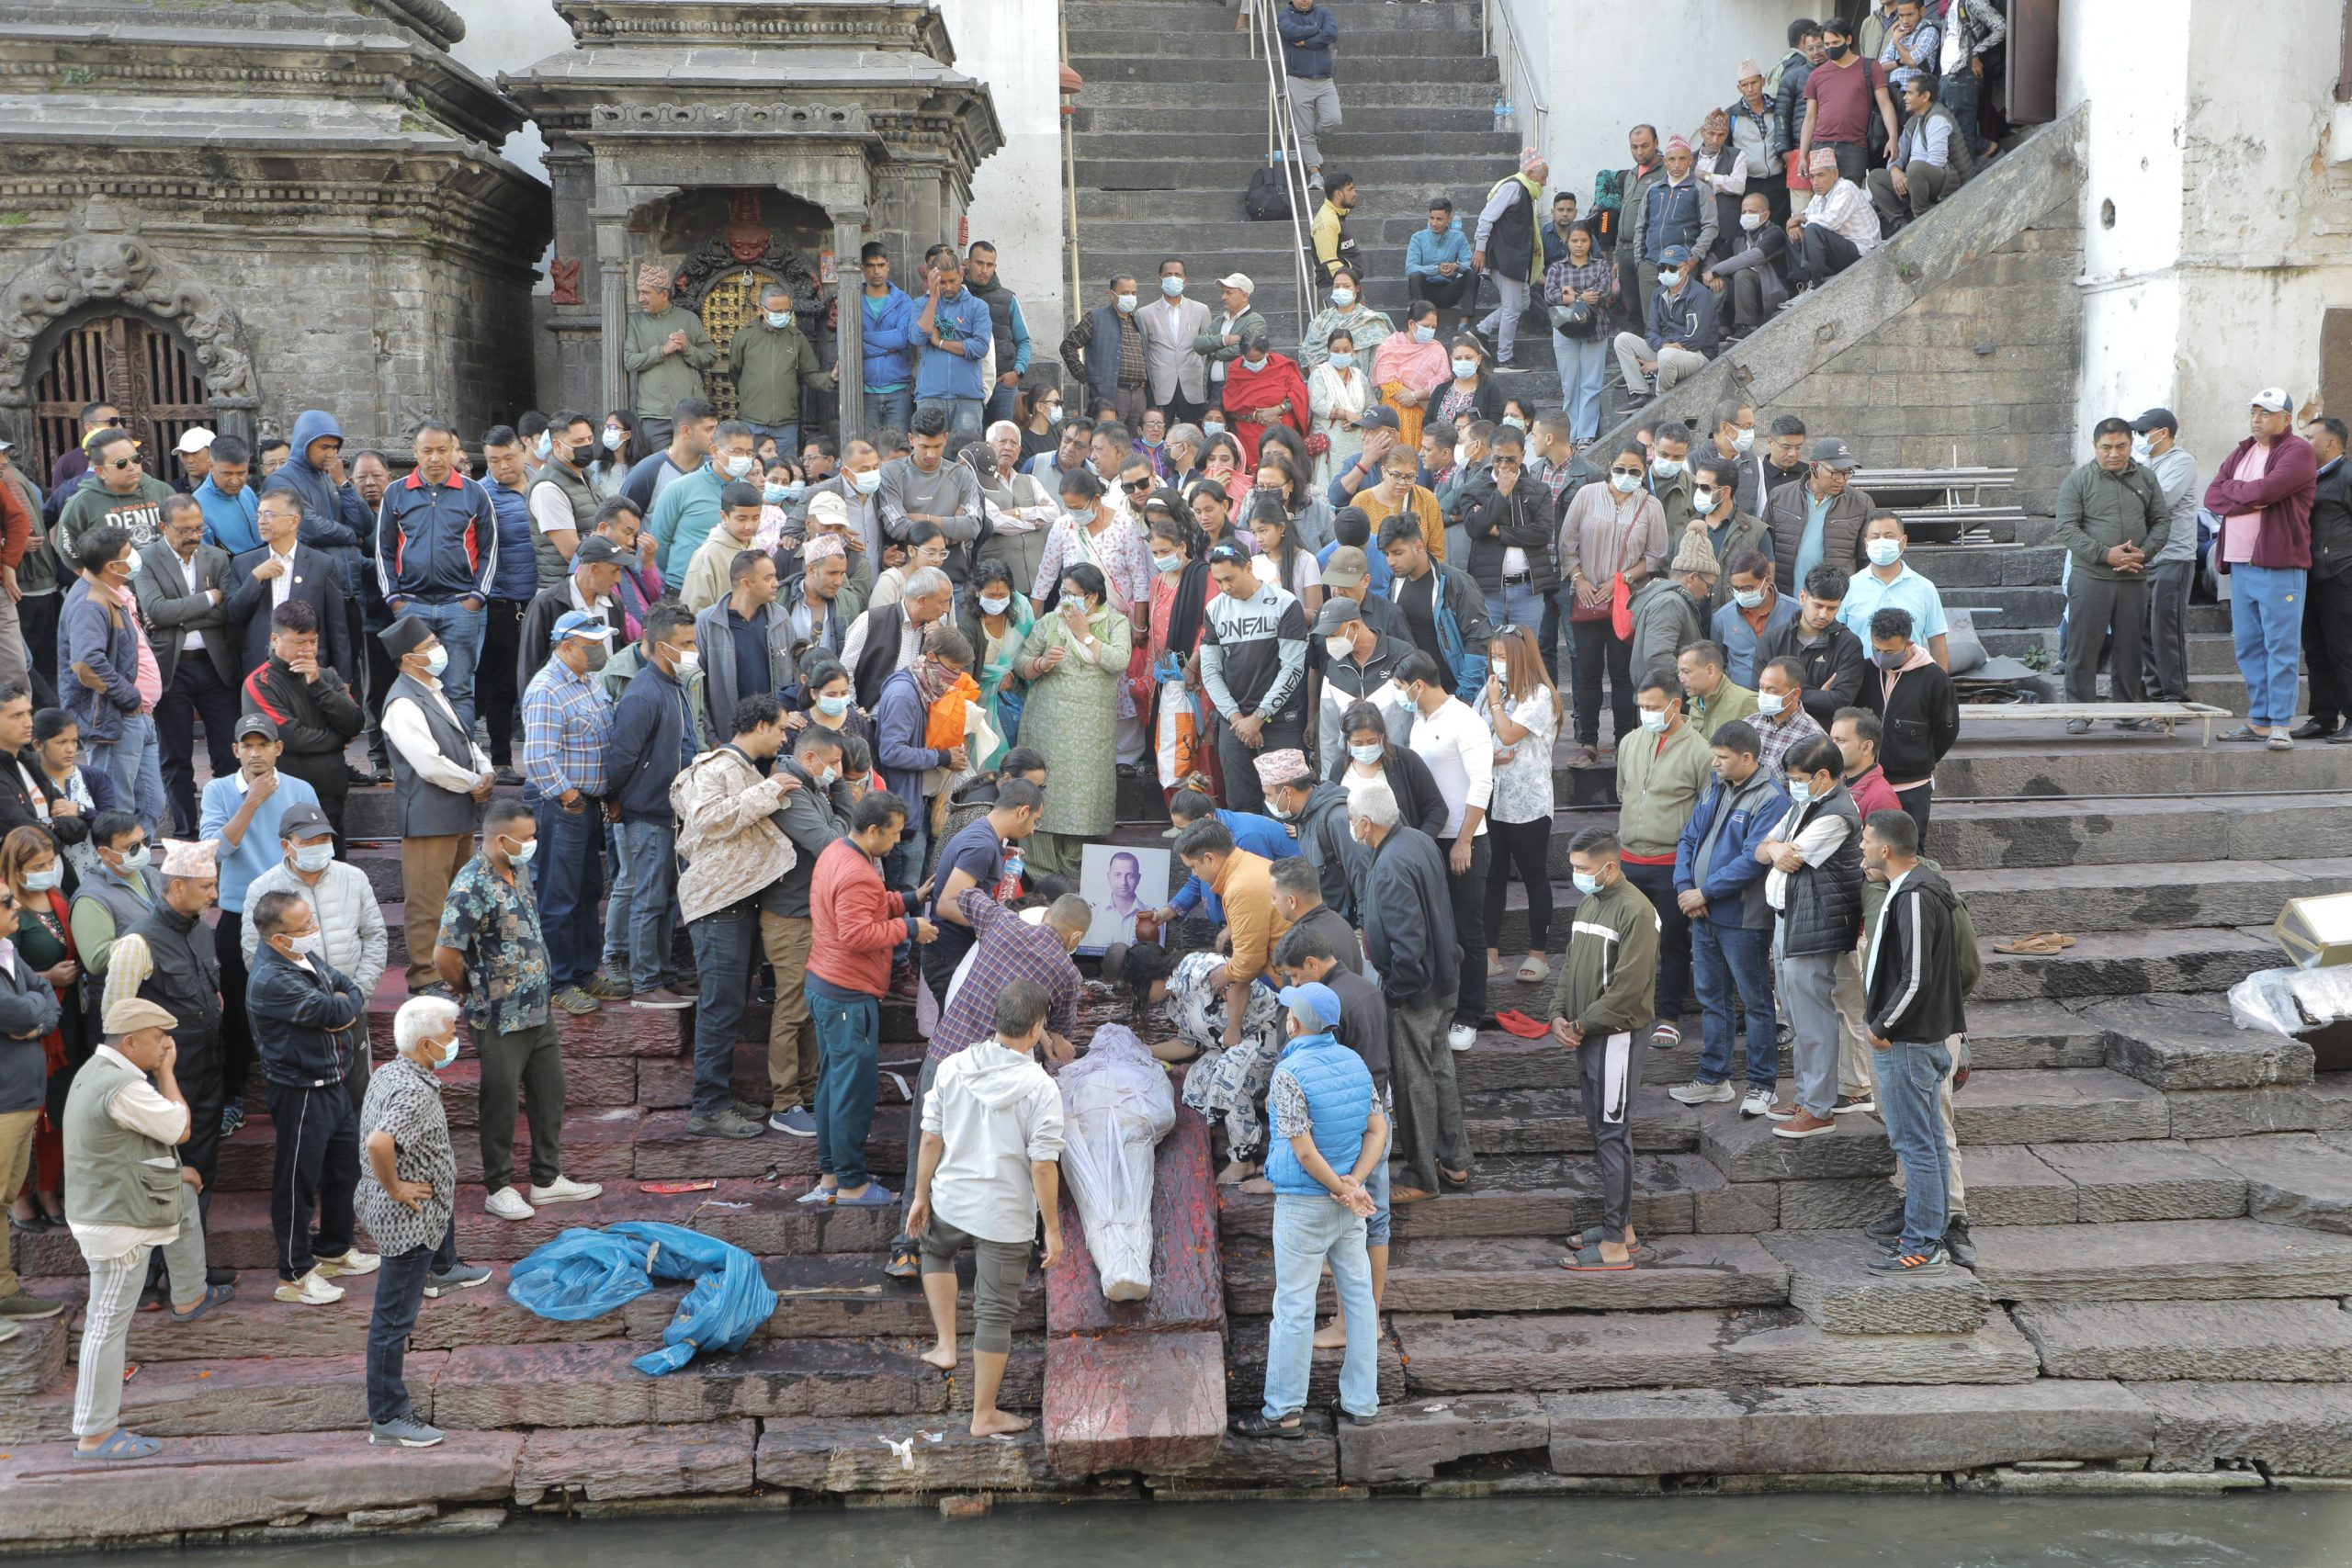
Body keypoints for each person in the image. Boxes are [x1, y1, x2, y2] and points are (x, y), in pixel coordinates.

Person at [63, 997, 232, 1461]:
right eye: (160, 1040)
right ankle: (96, 1434)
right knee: (105, 1328)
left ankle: (189, 1292)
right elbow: (179, 1127)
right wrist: (167, 1075)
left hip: (105, 1208)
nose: (167, 1046)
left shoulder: (94, 1073)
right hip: (115, 1223)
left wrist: (176, 1175)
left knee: (106, 1323)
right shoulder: (123, 1086)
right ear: (131, 1041)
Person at [905, 976, 1066, 1435]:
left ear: (996, 1022)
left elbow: (930, 1136)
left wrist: (920, 1196)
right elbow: (1042, 1167)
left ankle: (945, 1345)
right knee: (995, 1312)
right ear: (1036, 1029)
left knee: (935, 1251)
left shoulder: (953, 1067)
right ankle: (983, 1415)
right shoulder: (1040, 1088)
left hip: (952, 1200)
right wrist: (1052, 1230)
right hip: (1005, 1216)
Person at [435, 798, 599, 1223]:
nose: (533, 844)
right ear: (500, 838)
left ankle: (546, 1179)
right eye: (526, 838)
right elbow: (446, 954)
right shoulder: (470, 885)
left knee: (550, 1094)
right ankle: (499, 1186)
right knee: (501, 1101)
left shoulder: (518, 869)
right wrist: (470, 990)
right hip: (500, 1015)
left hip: (538, 1010)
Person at [1237, 979, 1385, 1436]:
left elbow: (1302, 1150)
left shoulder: (1288, 1073)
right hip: (1347, 1203)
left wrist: (1342, 1188)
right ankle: (1361, 1402)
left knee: (1295, 1305)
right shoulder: (1355, 1062)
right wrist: (1354, 1184)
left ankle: (1283, 1411)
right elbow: (1377, 1130)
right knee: (1359, 1299)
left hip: (1304, 1203)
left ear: (1295, 1021)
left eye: (1288, 1012)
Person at [356, 994, 486, 1449]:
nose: (457, 1041)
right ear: (429, 1045)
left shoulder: (391, 1071)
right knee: (392, 1322)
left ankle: (442, 1266)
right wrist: (396, 1187)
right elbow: (378, 1143)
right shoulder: (412, 1093)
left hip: (416, 1212)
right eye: (452, 1034)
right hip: (406, 1221)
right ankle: (389, 1415)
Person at [674, 694, 800, 1141]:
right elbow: (707, 819)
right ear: (761, 725)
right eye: (782, 728)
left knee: (729, 1006)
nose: (785, 737)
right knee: (719, 1007)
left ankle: (719, 1097)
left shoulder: (744, 770)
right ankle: (707, 1107)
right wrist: (770, 791)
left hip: (737, 901)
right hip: (716, 906)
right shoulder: (717, 768)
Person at [806, 791, 934, 1206]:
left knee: (833, 1085)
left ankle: (832, 1174)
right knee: (851, 1092)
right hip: (847, 994)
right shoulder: (859, 872)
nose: (898, 842)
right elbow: (858, 934)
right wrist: (911, 928)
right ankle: (852, 1184)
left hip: (825, 985)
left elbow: (869, 908)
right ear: (874, 829)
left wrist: (911, 899)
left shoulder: (836, 852)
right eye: (894, 834)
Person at [245, 886, 373, 1305]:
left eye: (312, 921)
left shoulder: (303, 957)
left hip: (334, 1082)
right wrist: (339, 1009)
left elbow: (349, 991)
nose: (314, 931)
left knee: (345, 1171)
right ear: (278, 938)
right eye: (304, 927)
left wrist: (341, 1007)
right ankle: (295, 1273)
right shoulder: (272, 979)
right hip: (300, 1091)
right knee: (296, 1182)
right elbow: (336, 1010)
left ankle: (334, 1249)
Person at [1857, 807, 1964, 1274]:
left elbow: (1917, 977)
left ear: (1885, 849)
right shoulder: (1917, 886)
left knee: (1916, 1145)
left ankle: (1922, 1243)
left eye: (1865, 840)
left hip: (1909, 1041)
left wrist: (1882, 1028)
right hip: (1924, 1036)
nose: (1860, 847)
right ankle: (1929, 1231)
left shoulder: (1916, 896)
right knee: (1929, 1144)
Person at [1549, 829, 1661, 1271]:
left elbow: (1630, 990)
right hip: (1588, 1034)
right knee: (1603, 1130)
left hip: (1616, 1038)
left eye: (1582, 869)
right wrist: (1558, 1014)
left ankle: (1616, 1244)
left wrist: (1580, 1024)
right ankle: (1622, 1227)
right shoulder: (1588, 902)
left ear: (1609, 867)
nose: (1577, 876)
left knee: (1612, 1132)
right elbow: (1571, 965)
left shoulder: (1637, 911)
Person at [1349, 782, 1463, 1202]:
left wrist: (1397, 990)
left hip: (1416, 990)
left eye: (1351, 822)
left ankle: (1421, 1176)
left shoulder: (1392, 863)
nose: (1351, 829)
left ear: (1365, 823)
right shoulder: (1415, 839)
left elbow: (1408, 943)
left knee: (1414, 1081)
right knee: (1440, 1072)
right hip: (1444, 976)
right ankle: (1455, 1159)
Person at [1669, 722, 1787, 1118]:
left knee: (1755, 1002)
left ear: (1747, 758)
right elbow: (1688, 839)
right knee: (1711, 998)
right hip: (1703, 913)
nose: (1715, 763)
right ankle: (1713, 1078)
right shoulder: (1714, 785)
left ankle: (1761, 1084)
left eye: (1722, 758)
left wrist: (1705, 892)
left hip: (1744, 918)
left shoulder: (1771, 799)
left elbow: (1753, 860)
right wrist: (1687, 888)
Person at [379, 615, 492, 995]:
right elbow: (429, 764)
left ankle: (456, 969)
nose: (437, 650)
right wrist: (474, 782)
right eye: (429, 646)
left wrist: (485, 770)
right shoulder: (402, 703)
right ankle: (426, 975)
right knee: (428, 902)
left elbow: (464, 740)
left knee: (460, 900)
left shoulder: (433, 690)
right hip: (429, 817)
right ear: (410, 659)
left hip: (458, 813)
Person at [1759, 734, 1865, 1141]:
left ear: (1824, 775)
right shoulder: (1806, 803)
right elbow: (1764, 848)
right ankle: (1806, 1097)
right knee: (1795, 1011)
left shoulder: (1837, 813)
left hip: (1815, 923)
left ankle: (1819, 1107)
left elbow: (1792, 857)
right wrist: (1774, 849)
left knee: (1814, 1015)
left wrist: (1776, 850)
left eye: (1797, 778)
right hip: (1790, 918)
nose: (1791, 785)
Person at [2204, 387, 2318, 750]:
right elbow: (2212, 496)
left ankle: (2281, 723)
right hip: (2239, 564)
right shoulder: (2242, 451)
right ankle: (2259, 721)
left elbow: (2265, 493)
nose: (2257, 419)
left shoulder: (2297, 451)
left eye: (2266, 413)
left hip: (2278, 563)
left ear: (2286, 419)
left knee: (2280, 646)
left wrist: (2240, 493)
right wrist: (2247, 494)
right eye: (2254, 412)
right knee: (2249, 646)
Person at [603, 601, 698, 1007]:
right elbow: (622, 757)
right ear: (662, 647)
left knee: (667, 898)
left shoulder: (672, 685)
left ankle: (662, 972)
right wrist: (616, 799)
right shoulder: (643, 693)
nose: (694, 650)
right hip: (648, 814)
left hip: (672, 814)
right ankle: (644, 983)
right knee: (649, 897)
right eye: (687, 643)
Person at [374, 422, 499, 731]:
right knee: (414, 690)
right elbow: (383, 550)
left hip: (460, 605)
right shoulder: (396, 493)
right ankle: (422, 761)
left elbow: (490, 548)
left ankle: (462, 762)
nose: (435, 458)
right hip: (411, 607)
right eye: (427, 450)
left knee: (458, 688)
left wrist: (476, 597)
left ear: (454, 452)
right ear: (415, 452)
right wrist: (394, 600)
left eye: (442, 450)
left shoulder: (475, 493)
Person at [1397, 651, 1491, 1054]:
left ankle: (1470, 1014)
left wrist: (1464, 840)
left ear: (1420, 684)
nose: (1401, 696)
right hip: (1427, 836)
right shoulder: (1419, 721)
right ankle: (1442, 1003)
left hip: (1463, 838)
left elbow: (1481, 784)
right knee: (1437, 928)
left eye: (1403, 689)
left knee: (1468, 931)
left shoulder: (1465, 720)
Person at [1614, 669, 1711, 1053]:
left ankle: (1668, 1016)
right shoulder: (1631, 742)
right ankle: (1626, 1007)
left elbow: (1706, 814)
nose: (1646, 714)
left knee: (1672, 942)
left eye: (1653, 707)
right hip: (1628, 860)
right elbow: (1624, 791)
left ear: (1675, 705)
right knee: (1628, 942)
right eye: (1641, 707)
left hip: (1672, 864)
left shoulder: (1701, 752)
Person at [2052, 418, 2171, 726]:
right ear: (2095, 447)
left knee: (2130, 650)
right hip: (2091, 578)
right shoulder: (2078, 481)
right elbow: (2066, 527)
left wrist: (2144, 553)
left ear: (2131, 445)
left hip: (2134, 578)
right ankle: (2079, 713)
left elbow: (2161, 520)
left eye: (2121, 446)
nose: (2114, 454)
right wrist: (2106, 554)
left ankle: (2128, 713)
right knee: (2082, 650)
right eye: (2106, 447)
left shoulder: (2146, 478)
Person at [1560, 442, 1669, 765]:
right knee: (1587, 671)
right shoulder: (1587, 495)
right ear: (1610, 465)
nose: (1626, 475)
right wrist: (1578, 579)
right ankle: (1588, 742)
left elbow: (1656, 557)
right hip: (1586, 596)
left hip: (1626, 601)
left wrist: (1621, 579)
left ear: (1644, 472)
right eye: (1620, 469)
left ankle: (1624, 741)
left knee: (1623, 673)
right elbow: (1567, 542)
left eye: (1634, 471)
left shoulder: (1651, 506)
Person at [137, 496, 238, 834]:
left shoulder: (218, 557)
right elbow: (155, 609)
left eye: (199, 527)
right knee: (175, 756)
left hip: (215, 665)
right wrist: (209, 600)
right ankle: (185, 831)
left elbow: (229, 611)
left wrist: (177, 617)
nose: (194, 535)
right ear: (163, 527)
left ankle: (226, 825)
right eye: (185, 530)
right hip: (172, 667)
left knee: (227, 751)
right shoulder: (147, 559)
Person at [61, 524, 166, 839]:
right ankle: (116, 874)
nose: (135, 556)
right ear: (112, 567)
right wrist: (130, 697)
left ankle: (138, 867)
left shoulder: (113, 592)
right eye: (127, 554)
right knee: (116, 811)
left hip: (138, 718)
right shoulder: (90, 603)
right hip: (115, 720)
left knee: (151, 804)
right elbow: (86, 663)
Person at [238, 801, 385, 1013]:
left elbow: (375, 937)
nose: (318, 846)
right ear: (286, 847)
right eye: (308, 842)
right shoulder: (261, 888)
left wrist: (355, 994)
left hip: (352, 1004)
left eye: (323, 840)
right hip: (298, 1010)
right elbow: (254, 954)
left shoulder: (354, 878)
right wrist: (309, 1003)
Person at [239, 602, 365, 842]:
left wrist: (318, 685)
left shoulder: (326, 676)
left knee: (333, 870)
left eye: (313, 641)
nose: (308, 649)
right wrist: (339, 738)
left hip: (332, 795)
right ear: (275, 639)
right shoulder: (259, 682)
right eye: (299, 642)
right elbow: (290, 737)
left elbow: (355, 722)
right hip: (287, 798)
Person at [1201, 541, 1309, 816]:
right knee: (1240, 805)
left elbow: (1293, 668)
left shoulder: (1284, 603)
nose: (1225, 587)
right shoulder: (1215, 608)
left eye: (1229, 578)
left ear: (1248, 568)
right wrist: (1237, 719)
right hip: (1234, 721)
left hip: (1279, 719)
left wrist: (1259, 717)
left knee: (1285, 808)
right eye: (1218, 581)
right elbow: (1211, 671)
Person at [1479, 624, 1560, 986]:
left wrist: (1496, 702)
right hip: (1491, 797)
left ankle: (1538, 953)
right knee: (1492, 876)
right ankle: (1490, 953)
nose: (1497, 664)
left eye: (1503, 656)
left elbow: (1510, 734)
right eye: (1493, 656)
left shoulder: (1539, 695)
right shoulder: (1488, 693)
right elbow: (1478, 736)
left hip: (1527, 801)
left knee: (1533, 875)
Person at [1857, 607, 1957, 831]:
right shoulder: (1865, 671)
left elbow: (1947, 731)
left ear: (1909, 644)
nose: (1882, 656)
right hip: (1866, 783)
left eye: (1890, 651)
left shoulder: (1935, 679)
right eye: (1877, 649)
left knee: (1910, 850)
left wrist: (1919, 758)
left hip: (1911, 786)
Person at [2130, 408, 2202, 708]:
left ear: (2164, 432)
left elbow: (2160, 501)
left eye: (2145, 432)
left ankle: (2176, 696)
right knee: (2146, 631)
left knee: (2166, 630)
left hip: (2174, 557)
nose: (2141, 438)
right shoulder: (2147, 464)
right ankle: (2155, 693)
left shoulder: (2181, 461)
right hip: (2148, 558)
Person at [1381, 510, 1492, 702]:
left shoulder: (1456, 583)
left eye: (1398, 553)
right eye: (1386, 554)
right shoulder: (1396, 584)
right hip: (1413, 695)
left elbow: (1479, 640)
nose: (1390, 561)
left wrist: (1464, 696)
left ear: (1418, 546)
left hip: (1453, 693)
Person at [1460, 424, 1559, 635]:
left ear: (1523, 456)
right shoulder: (1473, 490)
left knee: (1526, 653)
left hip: (1527, 590)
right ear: (1490, 453)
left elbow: (1542, 533)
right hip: (1490, 590)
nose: (1503, 466)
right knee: (1489, 651)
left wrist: (1498, 532)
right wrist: (1500, 494)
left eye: (1510, 459)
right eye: (1498, 459)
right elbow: (1475, 528)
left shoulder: (1539, 490)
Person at [695, 546, 796, 746]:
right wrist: (711, 737)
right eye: (768, 578)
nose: (776, 584)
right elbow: (696, 688)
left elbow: (794, 676)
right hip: (729, 739)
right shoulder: (707, 623)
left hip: (775, 739)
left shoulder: (781, 618)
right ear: (746, 584)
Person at [730, 282, 833, 455]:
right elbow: (735, 371)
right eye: (777, 312)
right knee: (750, 468)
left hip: (785, 424)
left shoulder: (796, 338)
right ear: (761, 310)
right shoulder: (745, 337)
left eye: (787, 311)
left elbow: (810, 375)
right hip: (751, 421)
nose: (783, 315)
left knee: (785, 469)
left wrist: (832, 378)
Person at [1470, 149, 1549, 368]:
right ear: (1531, 173)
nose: (1544, 183)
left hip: (1516, 260)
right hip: (1506, 259)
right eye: (1543, 177)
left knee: (1521, 303)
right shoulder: (1513, 187)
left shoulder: (1526, 192)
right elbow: (1486, 218)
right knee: (1512, 308)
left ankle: (1480, 331)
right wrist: (1480, 250)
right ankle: (1504, 357)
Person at [1767, 437, 1875, 595]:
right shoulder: (1779, 497)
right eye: (1835, 472)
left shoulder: (1861, 503)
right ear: (1813, 467)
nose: (1841, 480)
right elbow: (1765, 551)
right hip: (1786, 598)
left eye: (1847, 473)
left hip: (1835, 602)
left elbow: (1867, 559)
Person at [2300, 416, 2352, 741]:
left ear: (2331, 442)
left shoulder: (2346, 475)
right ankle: (2323, 717)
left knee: (2344, 650)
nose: (2303, 443)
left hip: (2341, 577)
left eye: (2309, 437)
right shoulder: (2310, 479)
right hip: (2311, 576)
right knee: (2316, 651)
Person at [621, 265, 716, 446]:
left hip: (690, 413)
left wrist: (687, 347)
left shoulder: (688, 319)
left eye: (646, 293)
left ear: (664, 294)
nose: (641, 299)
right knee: (661, 468)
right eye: (639, 292)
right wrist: (662, 351)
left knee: (691, 467)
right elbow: (630, 362)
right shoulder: (635, 322)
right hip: (653, 415)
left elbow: (709, 358)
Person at [1763, 563, 1868, 726]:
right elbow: (1759, 692)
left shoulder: (1849, 645)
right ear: (1803, 597)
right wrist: (1818, 694)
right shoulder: (1773, 640)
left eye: (1832, 608)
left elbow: (1840, 701)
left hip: (1823, 736)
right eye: (1818, 605)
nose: (1823, 614)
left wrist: (1782, 693)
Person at [1798, 17, 1897, 186]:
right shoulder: (1816, 75)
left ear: (1848, 39)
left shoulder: (1870, 67)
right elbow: (1810, 117)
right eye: (1826, 44)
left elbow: (1885, 104)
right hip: (1821, 145)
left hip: (1855, 146)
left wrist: (1893, 137)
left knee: (1850, 198)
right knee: (1824, 201)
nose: (1830, 48)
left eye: (1835, 43)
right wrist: (1802, 156)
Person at [1869, 71, 1973, 227]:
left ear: (1925, 96)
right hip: (1916, 180)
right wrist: (1895, 171)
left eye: (1910, 93)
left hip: (1943, 182)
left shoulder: (1938, 118)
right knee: (1875, 177)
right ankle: (1901, 225)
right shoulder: (1913, 122)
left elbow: (1937, 162)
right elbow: (1899, 153)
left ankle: (1921, 217)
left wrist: (1909, 177)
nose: (1905, 98)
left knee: (1915, 167)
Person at [1541, 223, 1614, 443]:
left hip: (1596, 329)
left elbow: (1603, 292)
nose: (1579, 245)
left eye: (1583, 240)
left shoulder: (1601, 266)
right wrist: (1581, 297)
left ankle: (1586, 434)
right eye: (1575, 241)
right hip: (1564, 330)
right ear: (1568, 243)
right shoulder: (1556, 268)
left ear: (1590, 242)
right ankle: (1569, 435)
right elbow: (1550, 296)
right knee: (1569, 384)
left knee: (1591, 384)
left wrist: (1571, 294)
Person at [1631, 138, 1718, 321]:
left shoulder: (1700, 189)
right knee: (1651, 320)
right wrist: (1640, 260)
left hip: (1681, 265)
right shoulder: (1653, 190)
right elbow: (1641, 226)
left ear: (1690, 160)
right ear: (1665, 160)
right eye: (1672, 159)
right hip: (1651, 263)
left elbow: (1710, 227)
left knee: (1678, 318)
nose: (1677, 164)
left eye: (1682, 158)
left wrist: (1693, 257)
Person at [1061, 273, 1151, 429]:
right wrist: (1085, 376)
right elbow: (1068, 345)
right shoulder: (1096, 318)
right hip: (1112, 392)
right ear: (1111, 295)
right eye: (1125, 293)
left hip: (1139, 393)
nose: (1130, 297)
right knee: (1110, 435)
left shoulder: (1137, 320)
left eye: (1133, 293)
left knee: (1136, 441)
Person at [1629, 530, 1716, 689]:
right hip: (1664, 700)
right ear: (1692, 578)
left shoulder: (1671, 599)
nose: (1708, 593)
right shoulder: (1670, 603)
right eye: (1709, 585)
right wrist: (1695, 681)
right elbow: (1658, 657)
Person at [1787, 150, 1882, 290]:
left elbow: (1831, 221)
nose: (1815, 182)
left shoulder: (1846, 188)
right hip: (1843, 249)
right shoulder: (1819, 197)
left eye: (1820, 175)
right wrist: (1794, 226)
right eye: (1812, 177)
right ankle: (1803, 283)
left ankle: (1814, 283)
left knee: (1813, 229)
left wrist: (1799, 219)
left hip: (1863, 251)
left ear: (1835, 174)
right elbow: (1807, 218)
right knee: (1793, 234)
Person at [1221, 329, 1311, 473]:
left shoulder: (1282, 365)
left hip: (1282, 425)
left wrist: (1278, 409)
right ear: (1242, 355)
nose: (1256, 363)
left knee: (1285, 470)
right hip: (1250, 432)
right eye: (1251, 361)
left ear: (1267, 352)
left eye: (1259, 359)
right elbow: (1231, 407)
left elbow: (1299, 393)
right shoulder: (1235, 370)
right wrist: (1257, 416)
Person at [1136, 260, 1213, 428]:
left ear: (1185, 280)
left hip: (1194, 384)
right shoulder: (1144, 313)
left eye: (1177, 275)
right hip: (1161, 387)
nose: (1173, 278)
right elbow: (1143, 350)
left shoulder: (1201, 310)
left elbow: (1208, 347)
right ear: (1159, 279)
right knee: (1160, 435)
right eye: (1168, 275)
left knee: (1196, 434)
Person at [1706, 192, 1794, 337]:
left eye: (1752, 212)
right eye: (1744, 212)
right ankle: (1721, 327)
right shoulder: (1740, 235)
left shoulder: (1774, 233)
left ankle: (1746, 326)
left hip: (1773, 292)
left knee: (1742, 273)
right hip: (1745, 294)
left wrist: (1715, 270)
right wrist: (1711, 273)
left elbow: (1753, 257)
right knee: (1719, 282)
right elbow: (1713, 257)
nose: (1747, 215)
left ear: (1766, 215)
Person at [1275, 0, 1341, 183]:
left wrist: (1306, 41)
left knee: (1333, 120)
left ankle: (1311, 140)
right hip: (1298, 79)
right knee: (1304, 131)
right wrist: (1316, 30)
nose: (1304, 0)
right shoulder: (1285, 15)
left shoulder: (1324, 13)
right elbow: (1290, 32)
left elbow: (1331, 33)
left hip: (1324, 79)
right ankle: (1315, 174)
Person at [1711, 546, 1793, 686]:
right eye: (1736, 589)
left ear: (1767, 581)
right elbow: (1718, 663)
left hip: (1783, 694)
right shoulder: (1722, 618)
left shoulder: (1794, 612)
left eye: (1747, 588)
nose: (1741, 594)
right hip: (1739, 698)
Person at [620, 398, 716, 513]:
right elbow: (622, 523)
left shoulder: (716, 469)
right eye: (709, 429)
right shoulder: (646, 473)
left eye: (716, 428)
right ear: (686, 431)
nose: (715, 436)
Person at [1750, 658, 1826, 782]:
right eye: (1761, 687)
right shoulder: (1750, 723)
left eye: (1771, 689)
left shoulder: (1813, 738)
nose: (1763, 694)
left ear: (1795, 693)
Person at [1676, 639, 1758, 740]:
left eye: (1686, 671)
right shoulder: (1695, 705)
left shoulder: (1746, 701)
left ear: (1710, 671)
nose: (1681, 678)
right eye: (1679, 672)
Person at [1405, 198, 1474, 319]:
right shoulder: (1418, 238)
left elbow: (1469, 262)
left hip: (1449, 291)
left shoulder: (1459, 237)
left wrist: (1456, 266)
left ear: (1449, 219)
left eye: (1439, 219)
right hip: (1425, 292)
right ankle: (1418, 321)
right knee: (1415, 276)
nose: (1434, 223)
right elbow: (1410, 268)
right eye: (1432, 218)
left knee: (1472, 273)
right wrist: (1436, 269)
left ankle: (1465, 322)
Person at [1831, 708, 1905, 819]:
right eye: (1831, 739)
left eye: (1840, 740)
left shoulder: (1881, 800)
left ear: (1866, 747)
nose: (1831, 747)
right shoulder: (1837, 783)